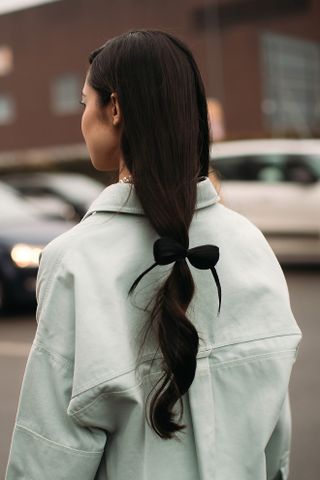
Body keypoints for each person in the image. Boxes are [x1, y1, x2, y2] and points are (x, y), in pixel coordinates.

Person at [6, 29, 302, 480]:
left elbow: (51, 453)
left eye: (85, 101)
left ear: (116, 108)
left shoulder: (76, 260)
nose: (82, 116)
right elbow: (275, 439)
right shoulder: (251, 243)